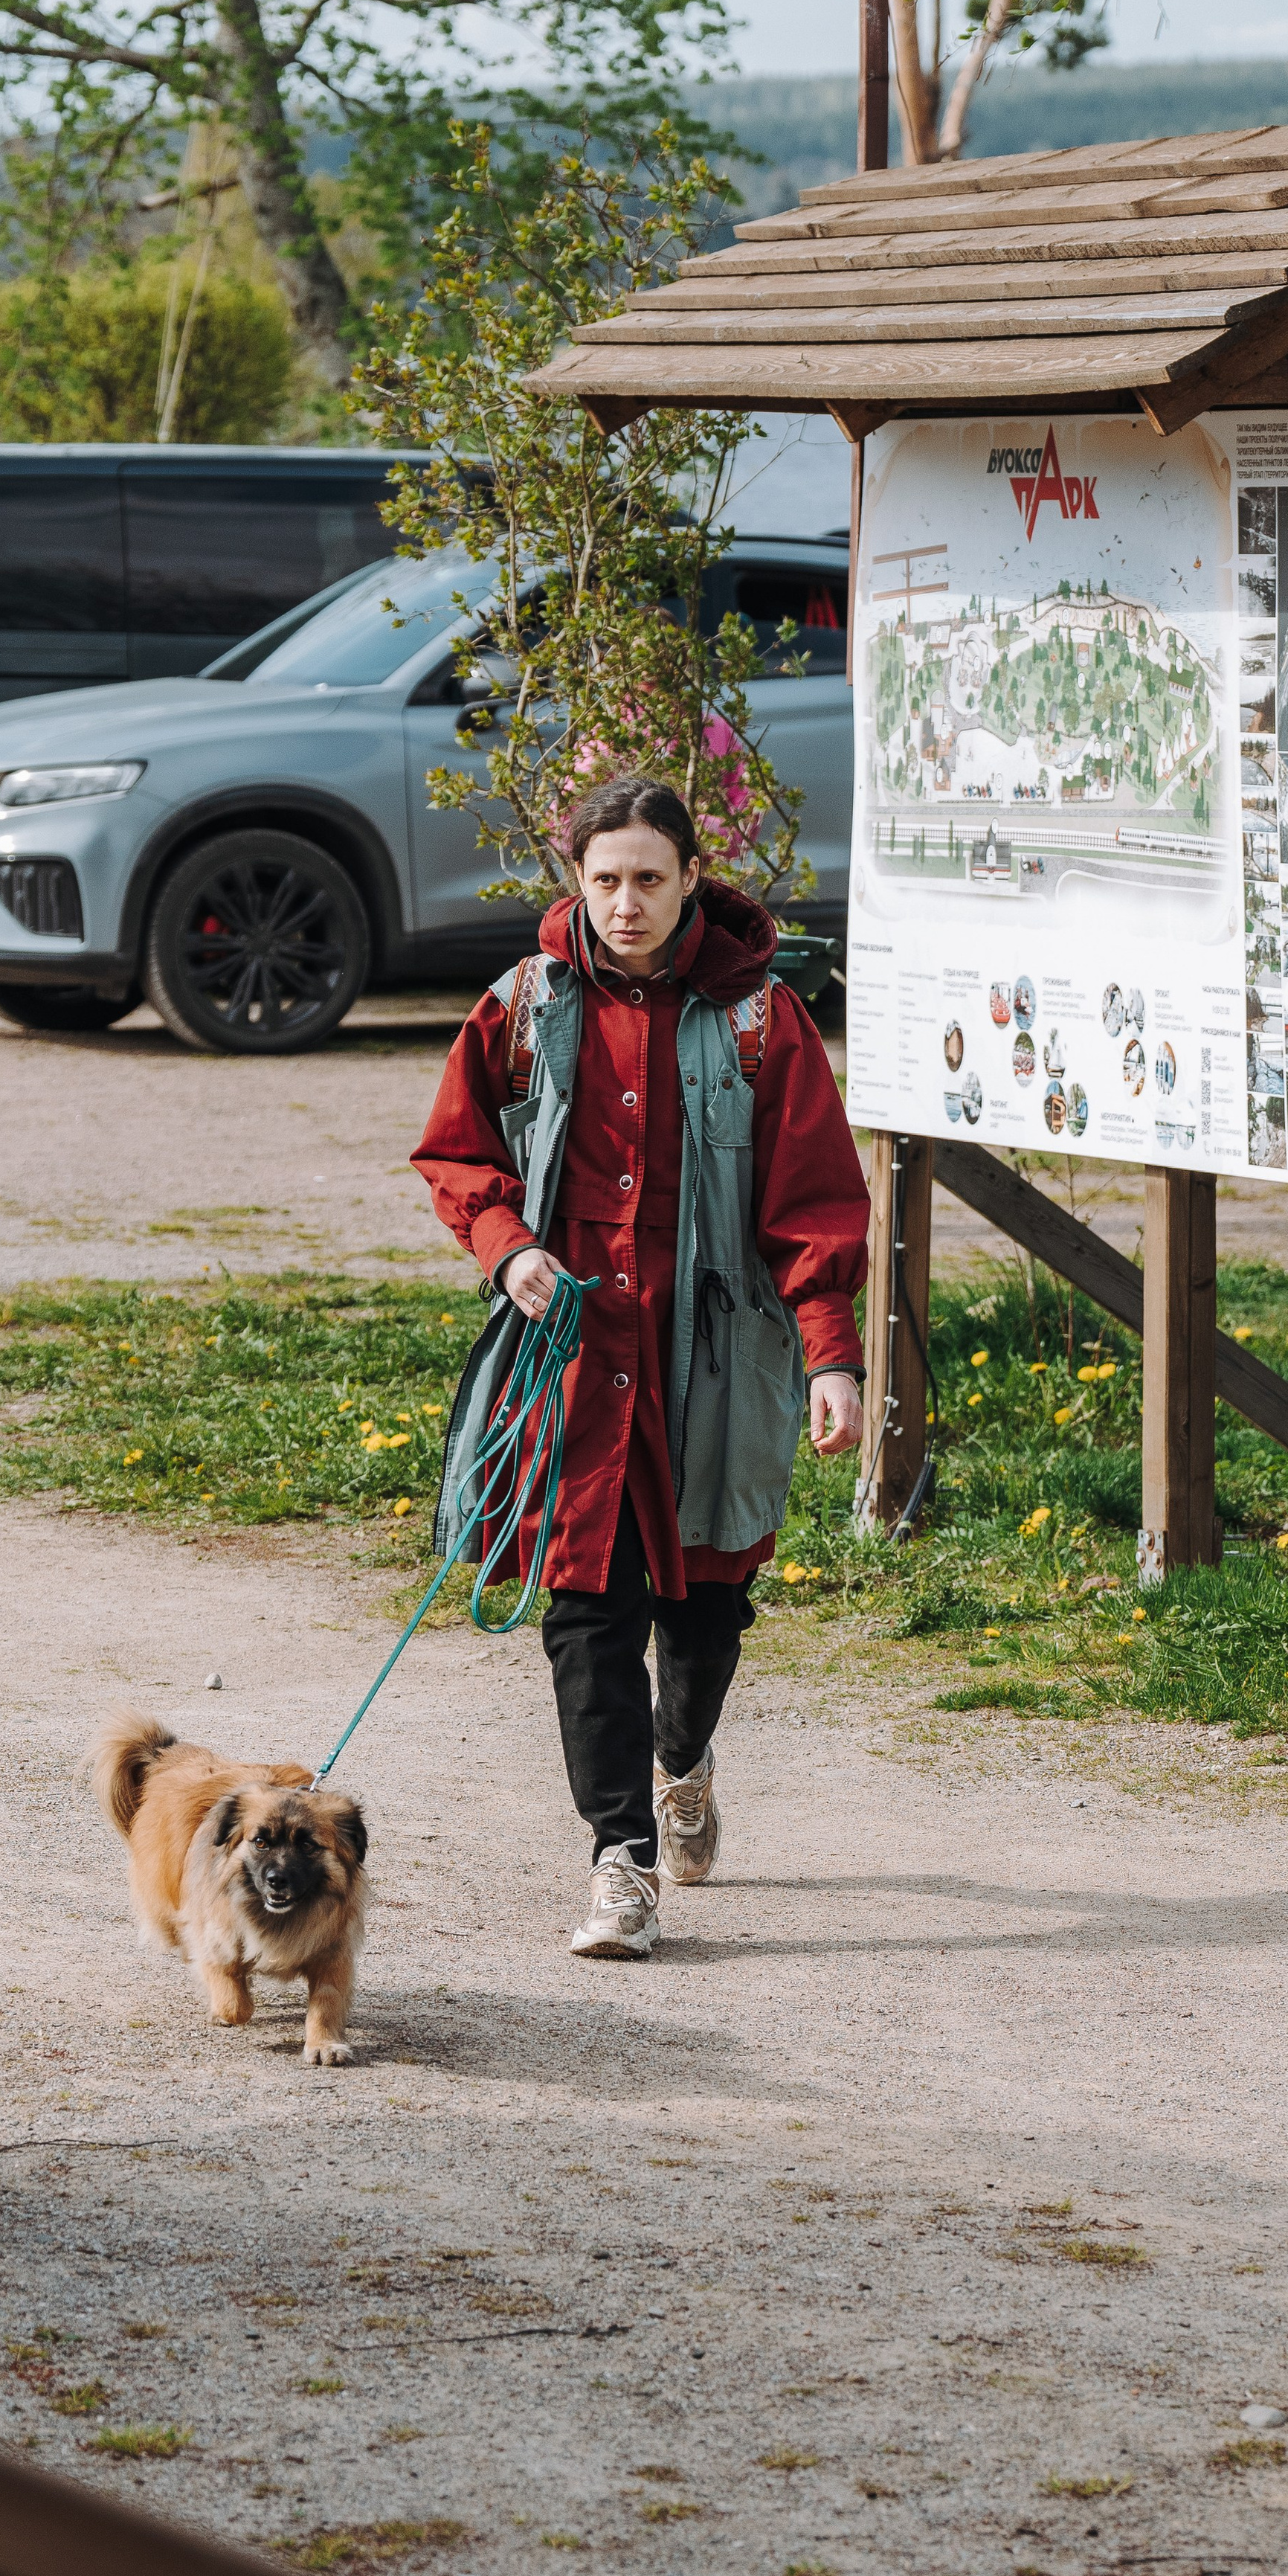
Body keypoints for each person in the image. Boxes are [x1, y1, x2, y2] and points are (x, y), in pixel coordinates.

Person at [412, 774, 869, 1958]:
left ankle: (682, 1758)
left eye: (649, 880)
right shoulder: (520, 1005)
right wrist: (506, 1248)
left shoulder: (764, 1020)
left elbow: (815, 1200)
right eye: (604, 879)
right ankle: (619, 1860)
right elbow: (458, 1153)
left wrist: (831, 1357)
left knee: (705, 1610)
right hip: (571, 1356)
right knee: (586, 1612)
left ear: (688, 880)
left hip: (711, 1358)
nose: (626, 903)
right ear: (576, 879)